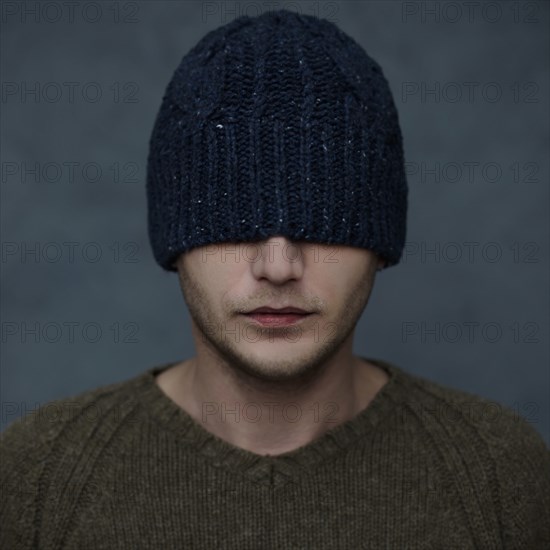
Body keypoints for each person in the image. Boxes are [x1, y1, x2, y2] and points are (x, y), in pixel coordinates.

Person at [1, 9, 549, 549]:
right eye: (231, 221)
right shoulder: (38, 476)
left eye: (324, 222)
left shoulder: (501, 475)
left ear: (381, 244)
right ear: (175, 243)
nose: (279, 266)